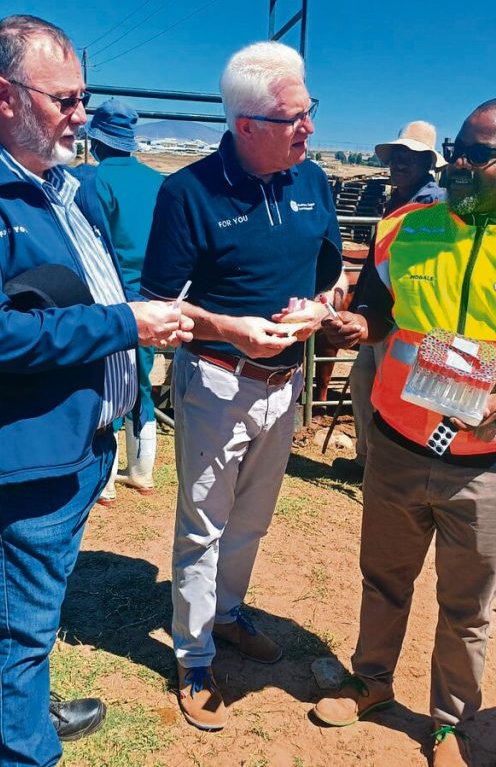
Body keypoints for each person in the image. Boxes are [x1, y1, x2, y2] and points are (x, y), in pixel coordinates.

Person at [0, 16, 192, 767]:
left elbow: (97, 291)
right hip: (24, 449)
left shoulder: (68, 186)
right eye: (63, 99)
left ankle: (31, 711)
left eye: (82, 97)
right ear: (4, 95)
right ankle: (29, 752)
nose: (80, 114)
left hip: (82, 438)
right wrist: (123, 324)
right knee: (22, 627)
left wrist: (142, 316)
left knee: (41, 606)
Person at [313, 96, 496, 767]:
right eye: (459, 147)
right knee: (384, 578)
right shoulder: (407, 229)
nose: (460, 162)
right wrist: (356, 327)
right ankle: (371, 681)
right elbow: (378, 315)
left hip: (492, 457)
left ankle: (448, 721)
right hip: (396, 438)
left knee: (466, 605)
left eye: (481, 155)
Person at [141, 41, 344, 731]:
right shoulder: (187, 193)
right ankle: (193, 656)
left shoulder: (313, 182)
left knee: (252, 520)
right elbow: (162, 305)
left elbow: (331, 276)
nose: (309, 130)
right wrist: (230, 329)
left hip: (284, 385)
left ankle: (226, 615)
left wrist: (322, 307)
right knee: (204, 524)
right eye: (295, 118)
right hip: (218, 382)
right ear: (246, 123)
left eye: (310, 112)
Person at [333, 121, 446, 482]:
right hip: (377, 310)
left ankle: (383, 467)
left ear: (428, 162)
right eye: (396, 156)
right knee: (364, 380)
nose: (399, 163)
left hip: (403, 315)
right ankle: (366, 459)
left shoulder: (432, 205)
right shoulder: (397, 200)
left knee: (389, 390)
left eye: (409, 157)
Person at [80, 98, 165, 504]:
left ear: (97, 142)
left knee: (111, 383)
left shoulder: (92, 182)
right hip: (152, 298)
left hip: (110, 299)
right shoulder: (159, 182)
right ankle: (143, 472)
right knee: (144, 381)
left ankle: (107, 481)